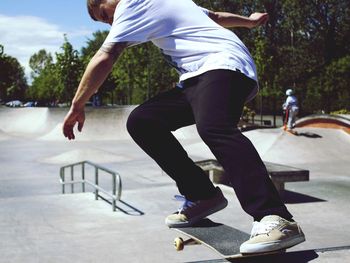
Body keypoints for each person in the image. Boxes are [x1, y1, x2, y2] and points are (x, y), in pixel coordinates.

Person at [63, 0, 305, 254]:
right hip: (196, 79)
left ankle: (275, 217)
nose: (111, 23)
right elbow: (215, 17)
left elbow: (105, 55)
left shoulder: (131, 3)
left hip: (222, 64)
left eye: (105, 15)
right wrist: (249, 22)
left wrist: (78, 105)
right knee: (142, 121)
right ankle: (202, 195)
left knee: (213, 127)